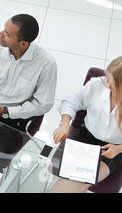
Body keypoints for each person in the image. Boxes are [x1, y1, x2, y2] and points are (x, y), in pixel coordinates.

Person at [49, 56, 122, 193]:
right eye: (107, 78)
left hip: (112, 149)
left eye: (112, 85)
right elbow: (71, 102)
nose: (107, 85)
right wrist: (65, 124)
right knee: (77, 182)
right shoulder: (97, 84)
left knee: (78, 181)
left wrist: (119, 149)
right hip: (85, 138)